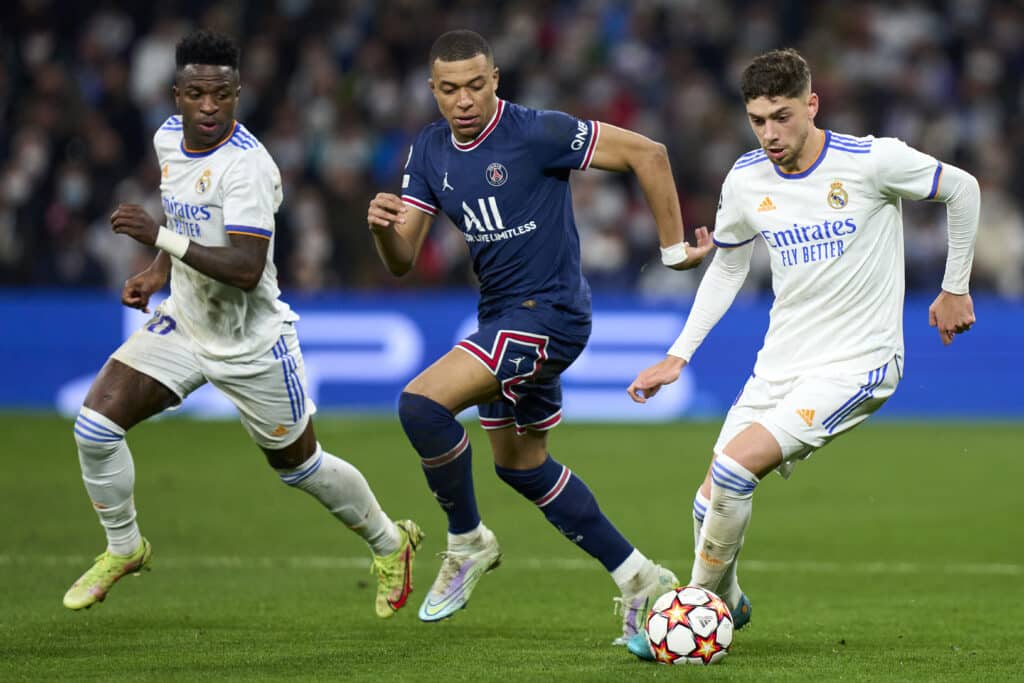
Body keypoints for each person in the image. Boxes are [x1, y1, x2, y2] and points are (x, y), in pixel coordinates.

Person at [624, 48, 979, 661]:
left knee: (735, 472)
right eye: (757, 120)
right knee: (708, 501)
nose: (769, 133)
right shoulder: (745, 179)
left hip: (860, 363)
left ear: (811, 105)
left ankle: (691, 615)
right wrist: (679, 355)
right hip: (780, 363)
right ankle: (727, 599)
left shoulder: (872, 161)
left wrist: (954, 286)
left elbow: (964, 190)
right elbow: (728, 266)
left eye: (782, 117)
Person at [366, 29, 713, 644]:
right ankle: (639, 578)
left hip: (549, 315)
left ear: (495, 80)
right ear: (433, 92)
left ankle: (468, 542)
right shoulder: (429, 150)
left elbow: (649, 153)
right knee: (520, 467)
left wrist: (672, 249)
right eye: (450, 89)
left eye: (476, 85)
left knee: (420, 405)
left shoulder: (534, 132)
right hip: (501, 317)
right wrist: (382, 229)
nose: (464, 100)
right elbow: (401, 260)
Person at [63, 30, 423, 619]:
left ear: (239, 94)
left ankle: (391, 543)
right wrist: (158, 270)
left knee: (300, 467)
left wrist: (157, 237)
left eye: (222, 95)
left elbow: (248, 269)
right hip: (184, 320)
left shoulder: (249, 167)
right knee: (95, 427)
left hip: (252, 341)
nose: (210, 106)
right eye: (198, 93)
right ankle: (124, 548)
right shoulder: (167, 140)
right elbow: (186, 215)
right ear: (176, 94)